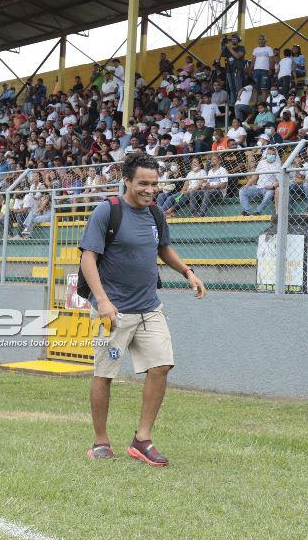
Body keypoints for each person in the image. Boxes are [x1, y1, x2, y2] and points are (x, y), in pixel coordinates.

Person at [79, 152, 206, 465]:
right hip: (114, 310)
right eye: (143, 184)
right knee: (104, 374)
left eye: (154, 184)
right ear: (127, 180)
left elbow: (163, 248)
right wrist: (103, 300)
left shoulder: (156, 213)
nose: (150, 190)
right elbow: (88, 258)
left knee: (161, 366)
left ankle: (142, 439)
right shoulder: (107, 211)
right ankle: (100, 441)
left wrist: (187, 272)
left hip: (149, 307)